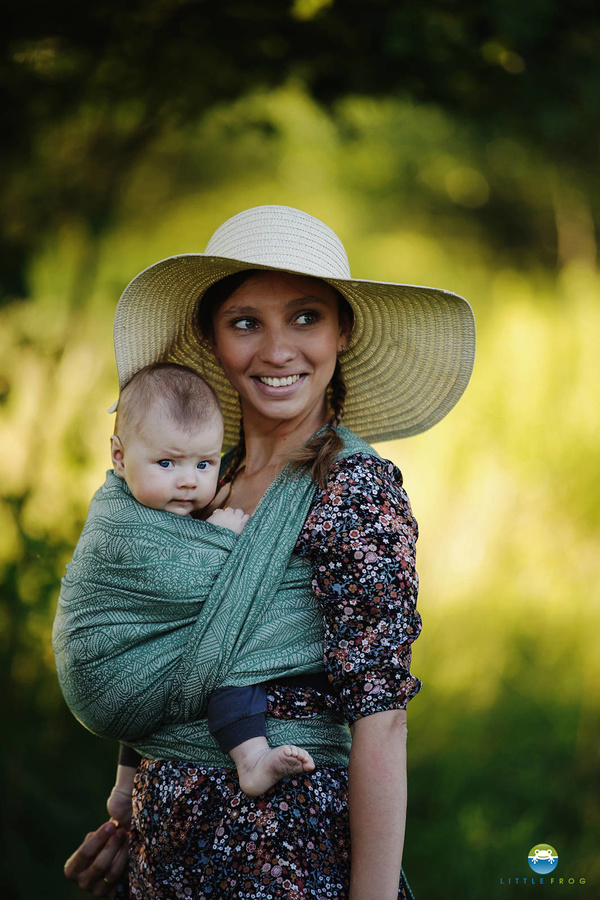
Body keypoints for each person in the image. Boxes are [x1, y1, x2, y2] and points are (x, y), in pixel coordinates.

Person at [60, 204, 476, 900]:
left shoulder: (355, 488)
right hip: (166, 853)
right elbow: (171, 652)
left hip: (283, 854)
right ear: (214, 338)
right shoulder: (198, 479)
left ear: (343, 332)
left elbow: (384, 717)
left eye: (306, 317)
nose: (278, 350)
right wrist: (131, 818)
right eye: (246, 321)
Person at [54, 361, 317, 808]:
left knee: (186, 651)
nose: (188, 481)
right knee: (225, 646)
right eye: (166, 462)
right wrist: (217, 539)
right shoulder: (119, 520)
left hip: (143, 684)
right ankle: (250, 758)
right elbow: (180, 576)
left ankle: (123, 789)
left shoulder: (167, 499)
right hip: (103, 665)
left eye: (204, 463)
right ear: (119, 457)